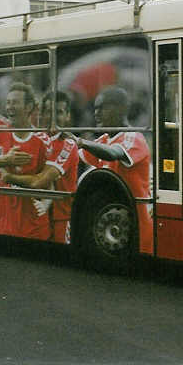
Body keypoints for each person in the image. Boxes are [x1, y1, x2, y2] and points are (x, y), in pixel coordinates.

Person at [76, 86, 153, 254]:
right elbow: (78, 156)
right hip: (113, 218)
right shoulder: (104, 139)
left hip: (137, 218)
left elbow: (113, 154)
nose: (96, 113)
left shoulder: (134, 136)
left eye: (102, 107)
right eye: (94, 108)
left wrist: (83, 143)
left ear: (121, 109)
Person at [0, 82, 52, 239]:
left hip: (31, 217)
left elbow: (48, 180)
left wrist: (45, 203)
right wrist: (6, 160)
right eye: (8, 102)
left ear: (28, 107)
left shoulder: (42, 141)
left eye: (15, 102)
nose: (10, 107)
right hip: (4, 213)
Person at [3, 91, 80, 243]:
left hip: (59, 219)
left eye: (58, 112)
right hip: (29, 217)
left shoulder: (68, 145)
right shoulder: (32, 138)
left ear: (67, 116)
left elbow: (40, 182)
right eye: (48, 111)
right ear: (40, 114)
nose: (51, 116)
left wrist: (7, 177)